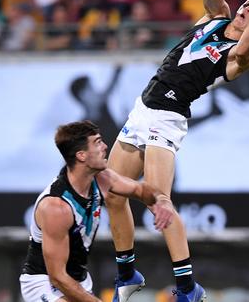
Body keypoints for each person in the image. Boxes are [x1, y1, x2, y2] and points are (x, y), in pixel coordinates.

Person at [105, 0, 249, 302]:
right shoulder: (215, 19)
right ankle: (127, 273)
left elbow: (246, 48)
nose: (245, 9)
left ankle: (188, 287)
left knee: (158, 201)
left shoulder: (244, 54)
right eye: (247, 4)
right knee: (113, 193)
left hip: (168, 118)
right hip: (142, 109)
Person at [19, 120, 174, 302]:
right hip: (44, 283)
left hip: (79, 280)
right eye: (98, 142)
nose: (105, 146)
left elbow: (139, 190)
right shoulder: (56, 207)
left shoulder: (102, 178)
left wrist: (161, 200)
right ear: (82, 155)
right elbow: (57, 277)